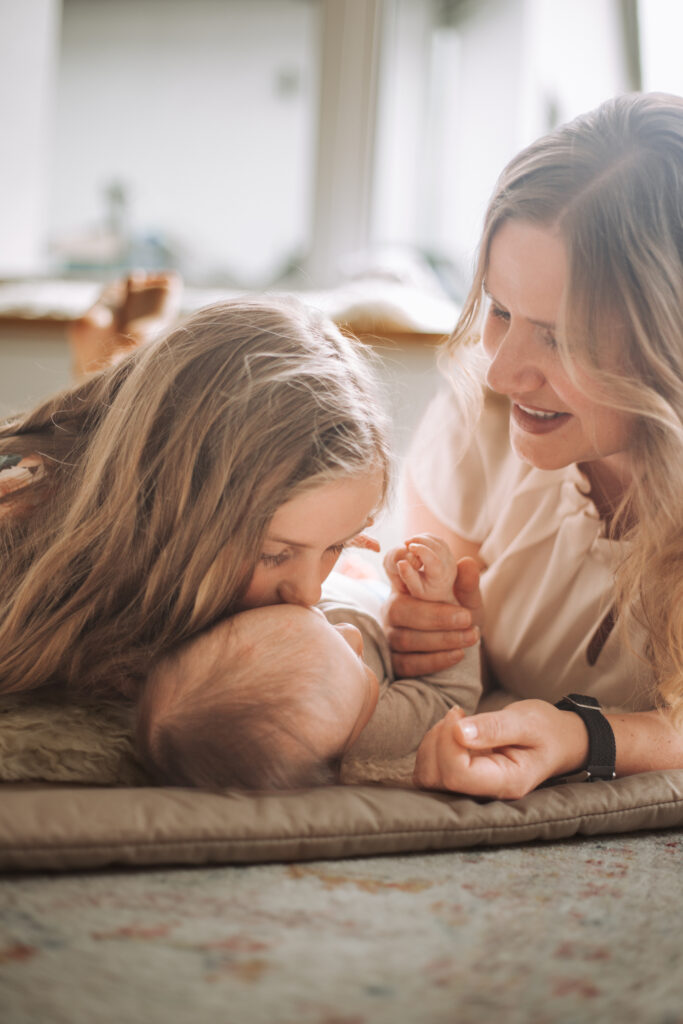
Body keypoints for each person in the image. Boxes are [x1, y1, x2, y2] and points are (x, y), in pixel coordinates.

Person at [383, 92, 683, 799]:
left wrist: (582, 734)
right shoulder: (480, 415)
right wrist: (431, 634)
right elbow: (449, 656)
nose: (500, 369)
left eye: (560, 336)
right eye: (499, 310)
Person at [0, 295, 393, 699]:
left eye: (339, 547)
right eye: (272, 554)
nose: (310, 593)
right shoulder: (19, 504)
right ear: (165, 506)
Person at [135, 534, 481, 790]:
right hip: (408, 628)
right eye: (361, 669)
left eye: (317, 620)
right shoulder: (375, 733)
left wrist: (334, 559)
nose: (350, 634)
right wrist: (439, 602)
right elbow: (447, 696)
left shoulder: (262, 615)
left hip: (359, 588)